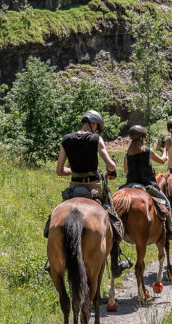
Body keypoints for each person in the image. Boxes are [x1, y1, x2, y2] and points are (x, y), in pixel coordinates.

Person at [54, 109, 131, 276]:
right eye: (97, 127)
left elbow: (59, 170)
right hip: (94, 189)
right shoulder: (96, 139)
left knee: (53, 221)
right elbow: (110, 166)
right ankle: (116, 261)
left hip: (73, 189)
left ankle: (51, 260)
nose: (96, 130)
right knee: (113, 220)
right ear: (94, 123)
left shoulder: (66, 139)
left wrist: (72, 169)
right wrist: (112, 168)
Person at [120, 125, 172, 239]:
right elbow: (162, 161)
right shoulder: (148, 151)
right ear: (142, 138)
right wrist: (164, 152)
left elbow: (126, 171)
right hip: (147, 185)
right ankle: (170, 229)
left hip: (130, 184)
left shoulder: (126, 153)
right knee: (166, 203)